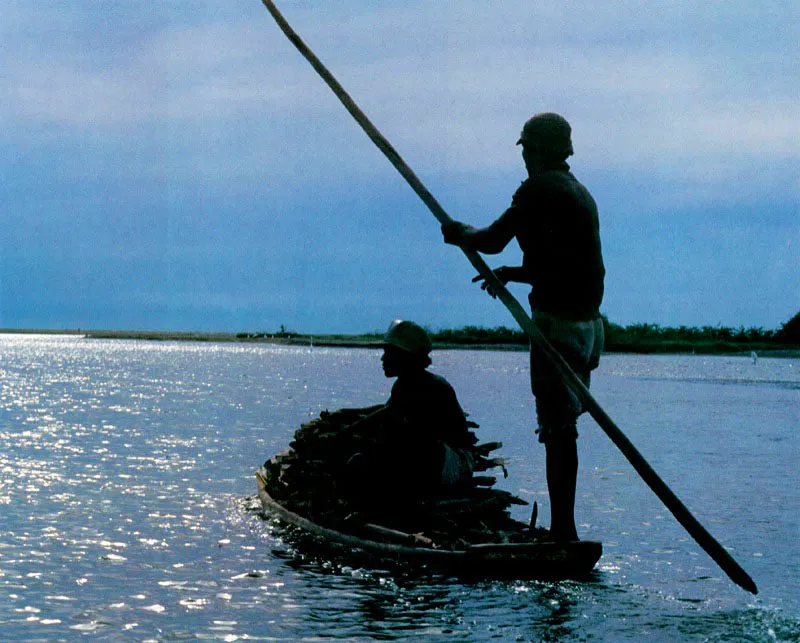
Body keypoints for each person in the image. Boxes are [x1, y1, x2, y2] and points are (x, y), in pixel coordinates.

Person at [441, 112, 605, 541]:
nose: (525, 159)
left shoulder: (540, 189)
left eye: (527, 150)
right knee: (563, 428)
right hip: (588, 327)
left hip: (559, 326)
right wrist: (513, 273)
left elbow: (491, 239)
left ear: (536, 151)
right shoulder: (578, 192)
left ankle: (563, 531)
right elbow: (561, 263)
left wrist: (459, 233)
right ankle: (564, 528)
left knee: (557, 429)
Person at [344, 320, 476, 502]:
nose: (383, 359)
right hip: (430, 458)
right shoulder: (402, 386)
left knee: (407, 443)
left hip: (455, 464)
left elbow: (412, 436)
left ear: (405, 357)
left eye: (388, 353)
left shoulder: (433, 386)